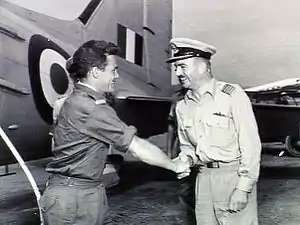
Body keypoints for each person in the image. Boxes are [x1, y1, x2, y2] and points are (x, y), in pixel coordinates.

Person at [39, 40, 190, 225]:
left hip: (82, 191)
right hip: (75, 198)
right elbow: (136, 146)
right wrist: (175, 166)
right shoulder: (92, 108)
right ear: (95, 72)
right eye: (113, 70)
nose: (116, 76)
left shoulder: (72, 102)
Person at [166, 38, 262, 225]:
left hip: (232, 178)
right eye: (176, 67)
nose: (177, 73)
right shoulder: (182, 106)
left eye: (182, 66)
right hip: (202, 180)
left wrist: (243, 188)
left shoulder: (232, 95)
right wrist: (183, 161)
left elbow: (250, 145)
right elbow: (188, 149)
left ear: (202, 67)